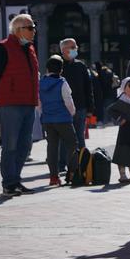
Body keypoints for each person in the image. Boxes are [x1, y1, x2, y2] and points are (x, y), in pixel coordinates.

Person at [0, 14, 39, 197]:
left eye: (33, 27)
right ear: (18, 29)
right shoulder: (3, 48)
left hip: (29, 102)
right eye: (30, 27)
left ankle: (16, 180)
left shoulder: (30, 49)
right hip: (10, 103)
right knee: (10, 144)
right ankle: (9, 183)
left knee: (25, 145)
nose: (34, 30)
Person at [40, 55, 77, 187]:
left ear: (47, 68)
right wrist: (72, 113)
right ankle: (72, 174)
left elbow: (39, 103)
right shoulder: (62, 82)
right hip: (63, 119)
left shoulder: (41, 82)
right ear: (61, 69)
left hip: (47, 120)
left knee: (52, 148)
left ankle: (53, 177)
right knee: (72, 144)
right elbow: (68, 101)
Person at [59, 38, 94, 167]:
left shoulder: (81, 65)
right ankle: (62, 164)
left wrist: (90, 107)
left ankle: (82, 163)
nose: (75, 49)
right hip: (63, 108)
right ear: (63, 50)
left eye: (76, 47)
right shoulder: (58, 65)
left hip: (80, 107)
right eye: (72, 47)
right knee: (64, 137)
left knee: (80, 137)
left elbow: (88, 87)